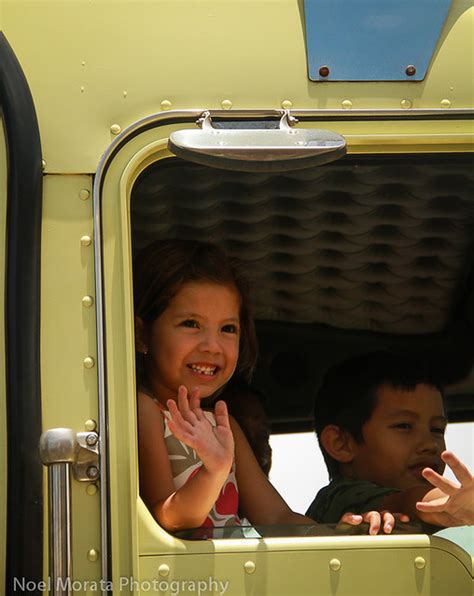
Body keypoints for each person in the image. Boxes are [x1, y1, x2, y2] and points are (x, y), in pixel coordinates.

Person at [134, 239, 397, 536]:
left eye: (228, 328)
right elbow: (168, 517)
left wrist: (341, 535)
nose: (212, 346)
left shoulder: (224, 426)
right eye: (191, 324)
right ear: (142, 335)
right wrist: (214, 471)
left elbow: (277, 517)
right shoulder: (146, 411)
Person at [307, 351, 474, 530]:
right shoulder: (340, 497)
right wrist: (457, 504)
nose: (430, 445)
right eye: (404, 426)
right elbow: (410, 501)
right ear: (341, 443)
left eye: (437, 430)